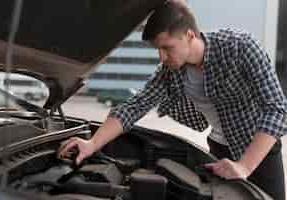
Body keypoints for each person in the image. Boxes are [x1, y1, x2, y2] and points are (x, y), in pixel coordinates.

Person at [58, 1, 287, 199]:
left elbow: (277, 108)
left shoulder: (240, 47)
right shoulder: (170, 71)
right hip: (218, 149)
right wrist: (92, 144)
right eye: (158, 49)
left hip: (260, 149)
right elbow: (135, 107)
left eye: (167, 48)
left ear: (189, 35)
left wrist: (245, 166)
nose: (162, 57)